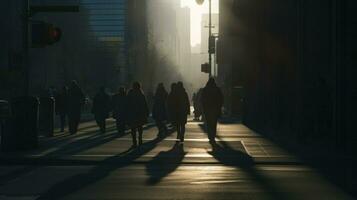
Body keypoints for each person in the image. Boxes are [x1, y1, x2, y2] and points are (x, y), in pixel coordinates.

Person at [201, 78, 223, 144]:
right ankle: (213, 135)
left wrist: (204, 107)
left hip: (207, 109)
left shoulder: (205, 89)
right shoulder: (217, 89)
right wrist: (219, 106)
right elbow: (221, 98)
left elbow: (202, 99)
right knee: (214, 124)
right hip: (215, 109)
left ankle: (210, 136)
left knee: (209, 123)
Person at [127, 82, 149, 148]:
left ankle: (134, 142)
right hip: (140, 113)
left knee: (133, 128)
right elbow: (145, 104)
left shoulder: (130, 94)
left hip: (132, 113)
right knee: (139, 127)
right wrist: (146, 112)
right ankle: (140, 139)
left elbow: (127, 104)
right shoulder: (141, 94)